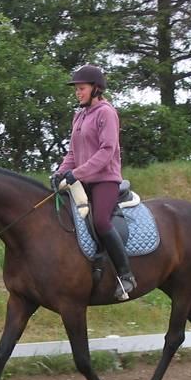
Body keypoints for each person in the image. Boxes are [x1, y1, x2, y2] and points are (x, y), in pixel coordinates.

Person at [52, 65, 137, 300]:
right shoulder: (79, 115)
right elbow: (72, 152)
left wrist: (78, 173)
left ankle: (125, 275)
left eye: (81, 88)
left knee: (100, 221)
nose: (77, 93)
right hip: (83, 178)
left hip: (105, 179)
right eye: (76, 89)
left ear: (96, 89)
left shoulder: (106, 113)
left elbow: (107, 151)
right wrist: (61, 172)